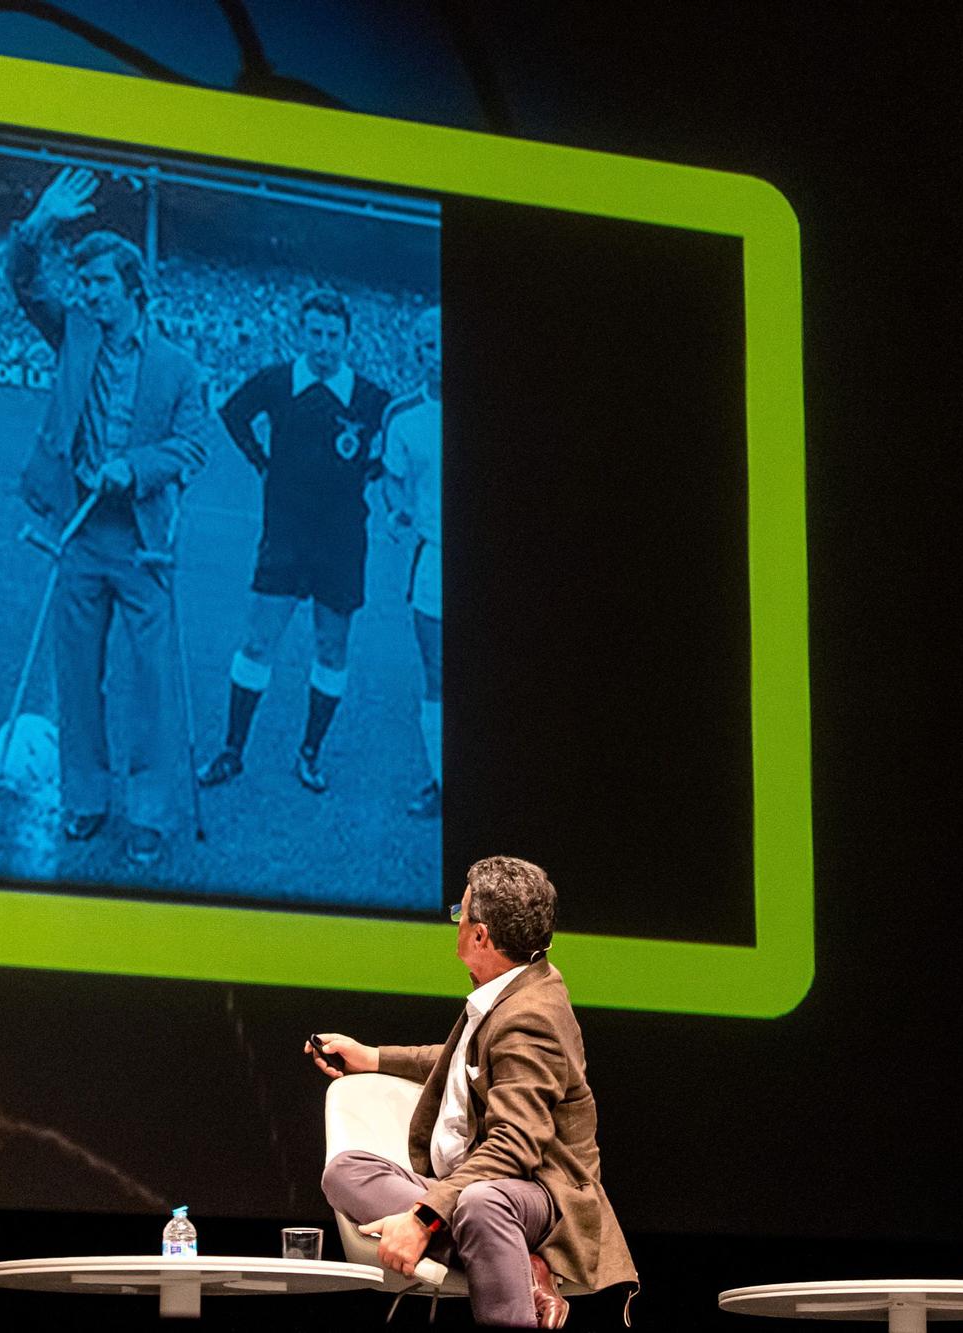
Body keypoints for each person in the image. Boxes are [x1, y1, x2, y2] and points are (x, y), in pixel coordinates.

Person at [310, 857, 637, 1327]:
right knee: (346, 1171)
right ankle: (525, 1266)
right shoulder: (513, 985)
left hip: (541, 1194)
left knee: (481, 1205)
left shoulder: (530, 1018)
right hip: (473, 1187)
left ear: (480, 935)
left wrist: (423, 1219)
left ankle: (516, 1255)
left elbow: (514, 1148)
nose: (456, 921)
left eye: (459, 913)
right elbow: (465, 1062)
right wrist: (374, 1057)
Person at [7, 167, 212, 865]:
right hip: (77, 535)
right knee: (77, 675)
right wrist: (40, 218)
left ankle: (149, 811)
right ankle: (86, 800)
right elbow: (25, 282)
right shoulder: (73, 334)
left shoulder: (180, 367)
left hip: (145, 544)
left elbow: (193, 446)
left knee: (150, 683)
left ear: (132, 290)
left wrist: (136, 467)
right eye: (83, 283)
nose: (86, 294)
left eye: (99, 285)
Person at [196, 288, 391, 794]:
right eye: (315, 334)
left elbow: (394, 452)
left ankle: (309, 754)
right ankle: (232, 751)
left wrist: (364, 476)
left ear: (348, 338)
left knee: (331, 649)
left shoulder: (372, 400)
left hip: (343, 544)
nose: (324, 345)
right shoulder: (278, 382)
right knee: (258, 641)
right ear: (301, 333)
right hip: (283, 535)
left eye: (333, 335)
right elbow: (232, 414)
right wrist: (262, 462)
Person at [379, 306, 442, 817]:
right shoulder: (404, 417)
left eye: (444, 342)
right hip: (434, 560)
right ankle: (441, 782)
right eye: (427, 345)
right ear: (417, 351)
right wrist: (397, 510)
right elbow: (392, 479)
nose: (437, 354)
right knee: (438, 672)